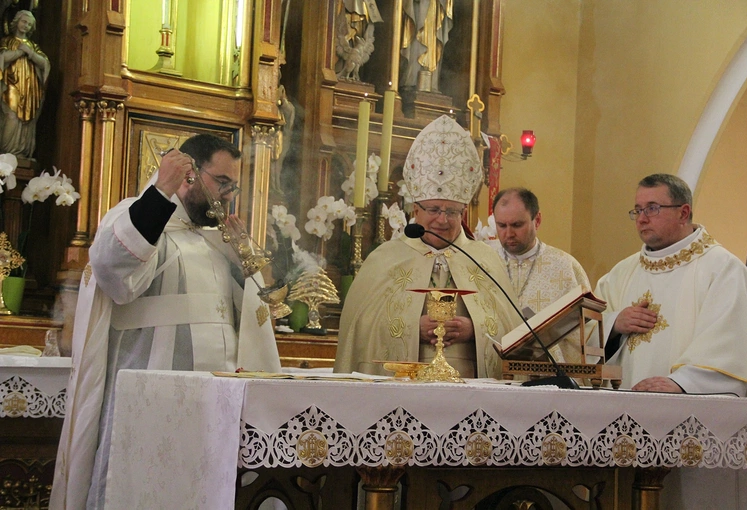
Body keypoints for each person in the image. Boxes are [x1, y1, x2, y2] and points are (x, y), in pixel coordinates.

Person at [51, 134, 282, 509]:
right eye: (222, 183)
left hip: (213, 415)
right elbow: (113, 270)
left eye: (233, 186)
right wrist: (160, 192)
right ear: (189, 173)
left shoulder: (216, 240)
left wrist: (245, 264)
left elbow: (246, 319)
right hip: (149, 409)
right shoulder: (139, 217)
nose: (228, 196)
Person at [335, 114, 523, 378]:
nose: (442, 220)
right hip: (405, 387)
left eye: (453, 212)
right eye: (434, 209)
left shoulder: (484, 260)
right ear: (415, 209)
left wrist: (475, 329)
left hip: (471, 388)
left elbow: (513, 331)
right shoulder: (385, 258)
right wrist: (412, 326)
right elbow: (359, 328)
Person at [595, 173, 747, 396]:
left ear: (683, 213)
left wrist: (684, 382)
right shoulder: (621, 273)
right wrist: (614, 324)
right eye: (638, 209)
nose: (641, 218)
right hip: (624, 405)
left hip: (688, 408)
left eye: (652, 208)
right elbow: (585, 329)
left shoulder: (722, 269)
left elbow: (730, 345)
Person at [488, 187, 591, 363]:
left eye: (517, 225)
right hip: (494, 369)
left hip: (546, 373)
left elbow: (586, 332)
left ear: (537, 220)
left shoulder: (565, 267)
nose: (509, 234)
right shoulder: (484, 261)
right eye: (501, 225)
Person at [0, 10, 49, 158]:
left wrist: (30, 53)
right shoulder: (7, 41)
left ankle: (21, 153)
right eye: (24, 21)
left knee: (26, 120)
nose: (26, 26)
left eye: (29, 24)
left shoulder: (32, 46)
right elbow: (2, 57)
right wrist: (19, 53)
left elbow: (45, 64)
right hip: (11, 85)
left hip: (29, 88)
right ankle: (7, 153)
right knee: (11, 117)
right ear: (16, 22)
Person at [400, 0, 453, 92]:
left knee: (433, 42)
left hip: (434, 7)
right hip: (419, 6)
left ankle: (431, 83)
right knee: (416, 38)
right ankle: (412, 80)